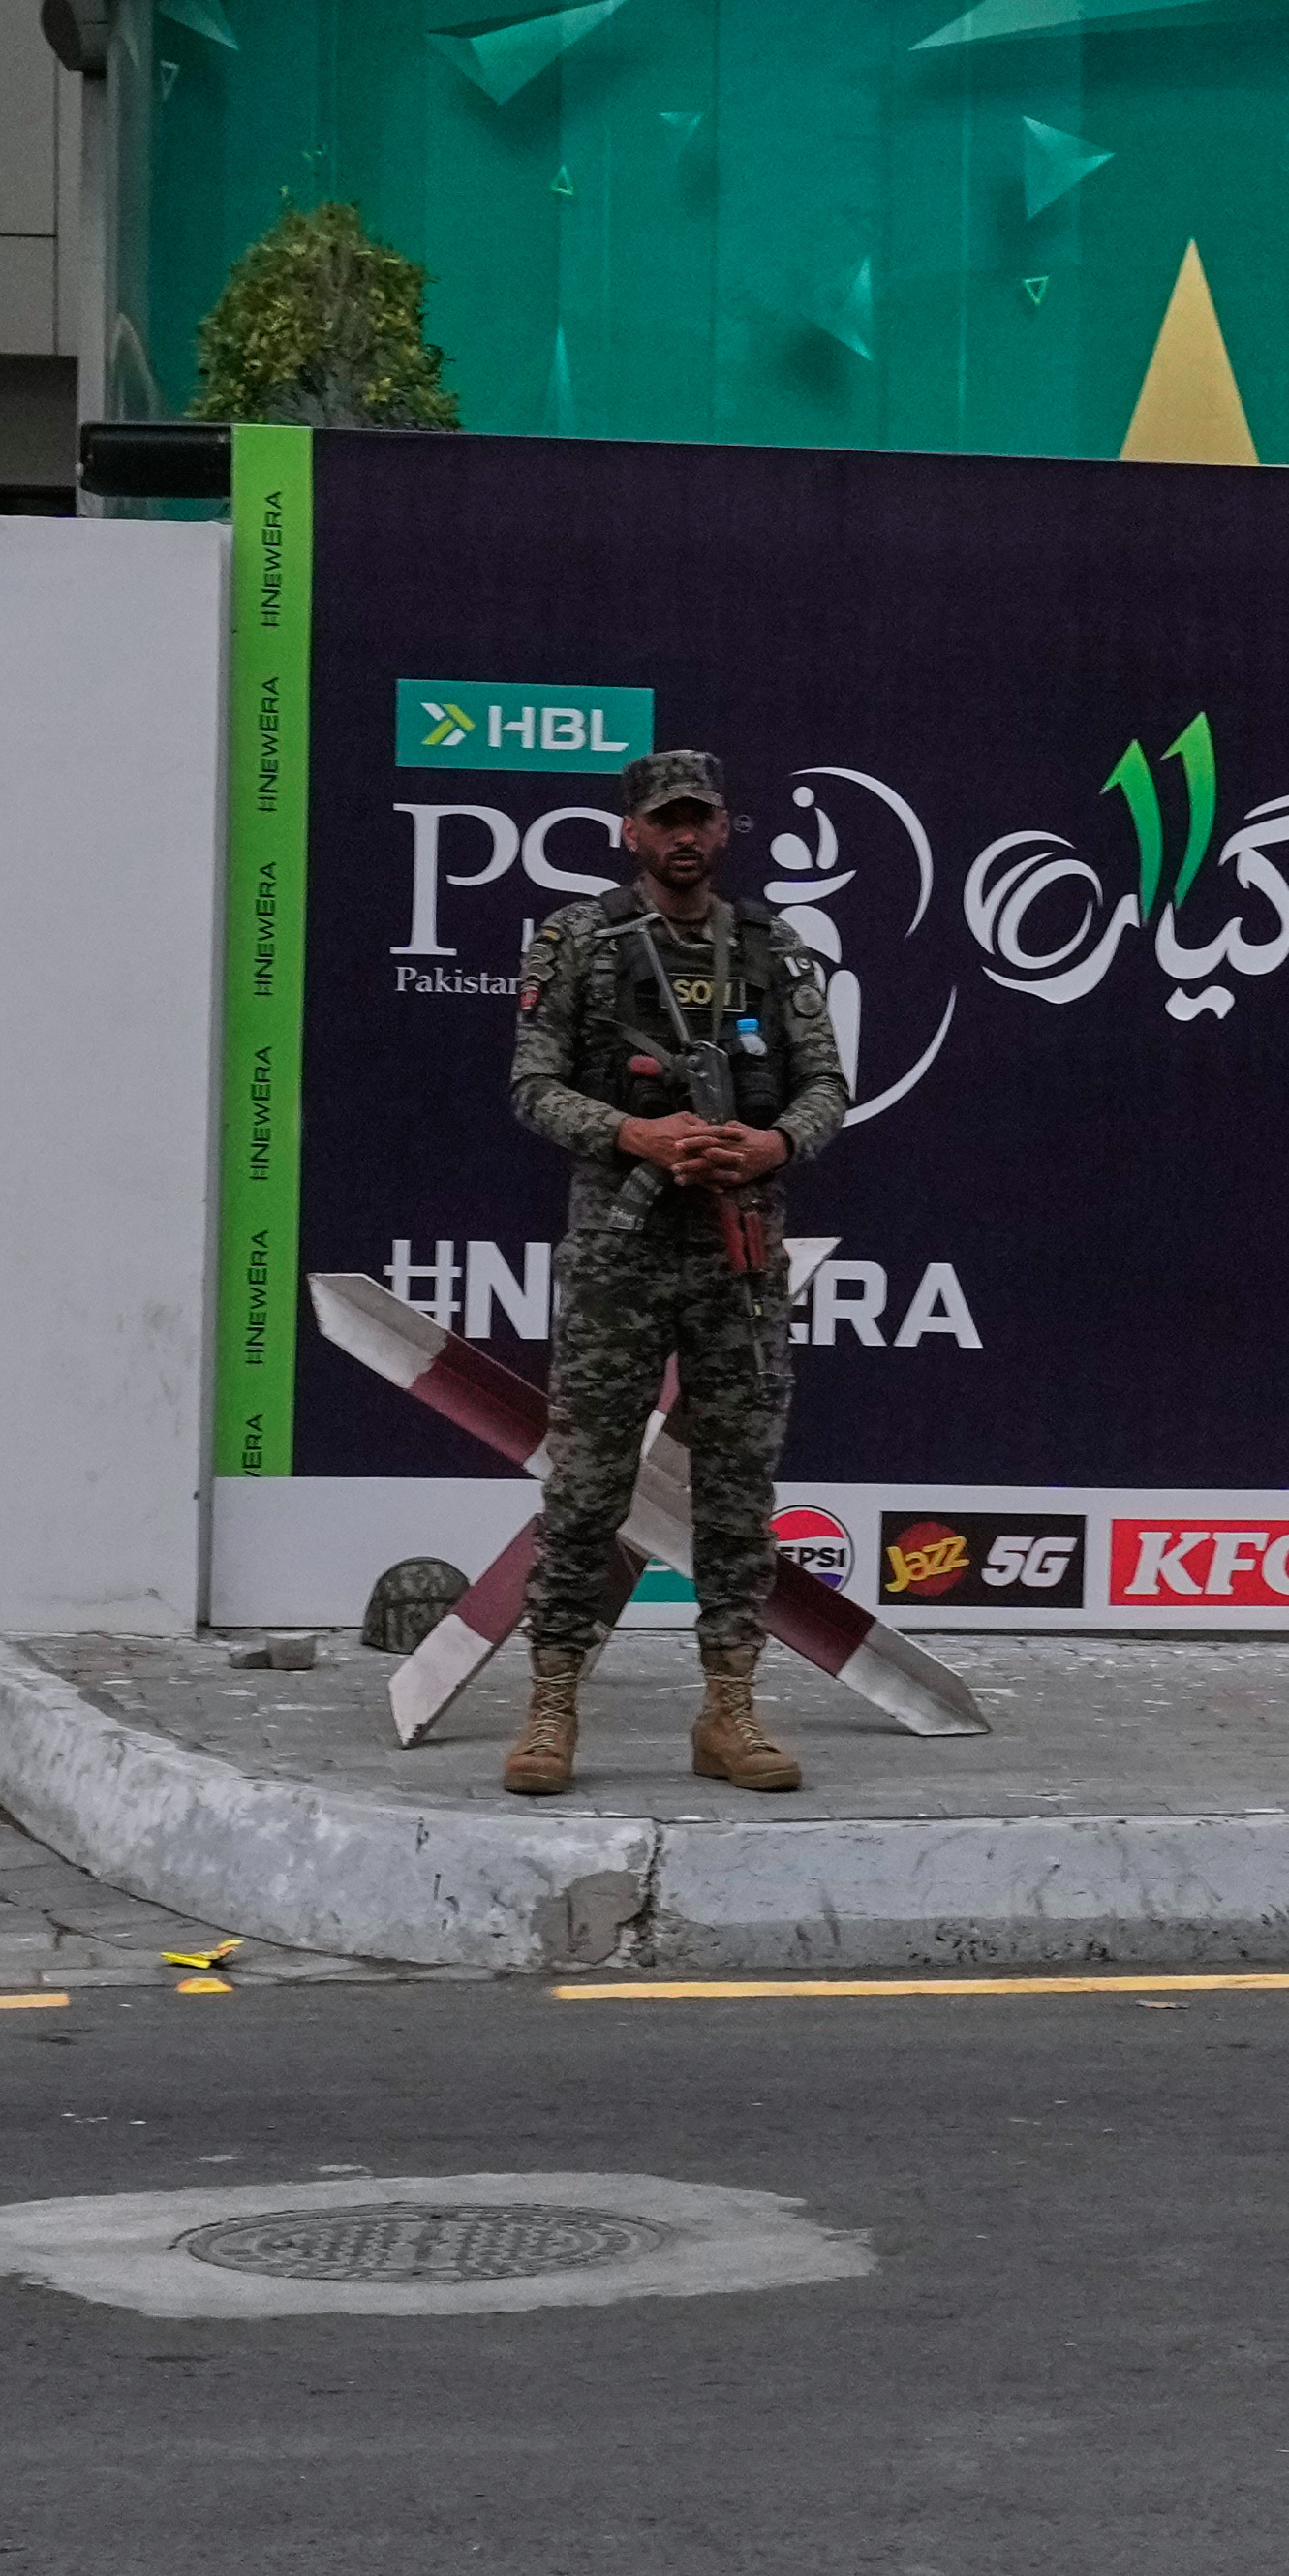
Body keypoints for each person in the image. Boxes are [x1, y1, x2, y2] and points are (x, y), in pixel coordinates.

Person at [500, 746, 853, 1801]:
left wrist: (772, 1146)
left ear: (726, 828)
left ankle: (729, 1707)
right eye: (666, 820)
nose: (685, 835)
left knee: (739, 1490)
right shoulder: (580, 941)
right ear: (632, 832)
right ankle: (552, 1702)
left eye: (701, 818)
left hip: (738, 1254)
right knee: (588, 1485)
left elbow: (826, 1083)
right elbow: (532, 1086)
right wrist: (637, 1138)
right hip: (621, 1246)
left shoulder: (772, 947)